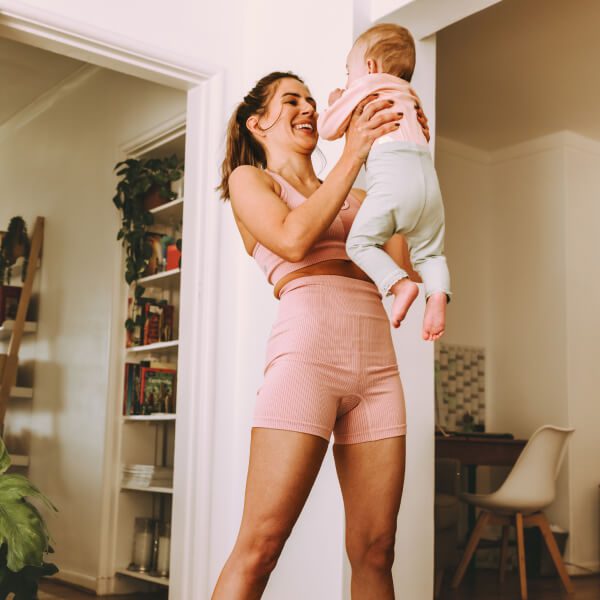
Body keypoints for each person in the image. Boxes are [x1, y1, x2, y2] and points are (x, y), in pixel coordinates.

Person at [213, 70, 429, 600]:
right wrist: (353, 151)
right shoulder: (252, 180)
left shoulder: (357, 191)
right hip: (306, 360)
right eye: (291, 100)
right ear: (257, 122)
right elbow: (292, 238)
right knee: (261, 544)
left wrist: (398, 158)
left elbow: (405, 269)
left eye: (311, 99)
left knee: (377, 550)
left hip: (377, 370)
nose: (308, 107)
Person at [318, 23, 451, 340]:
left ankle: (399, 284)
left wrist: (337, 101)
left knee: (360, 243)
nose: (348, 80)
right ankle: (437, 296)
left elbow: (328, 128)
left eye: (348, 72)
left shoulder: (367, 86)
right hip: (427, 183)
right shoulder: (410, 95)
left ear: (370, 67)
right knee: (431, 254)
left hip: (394, 179)